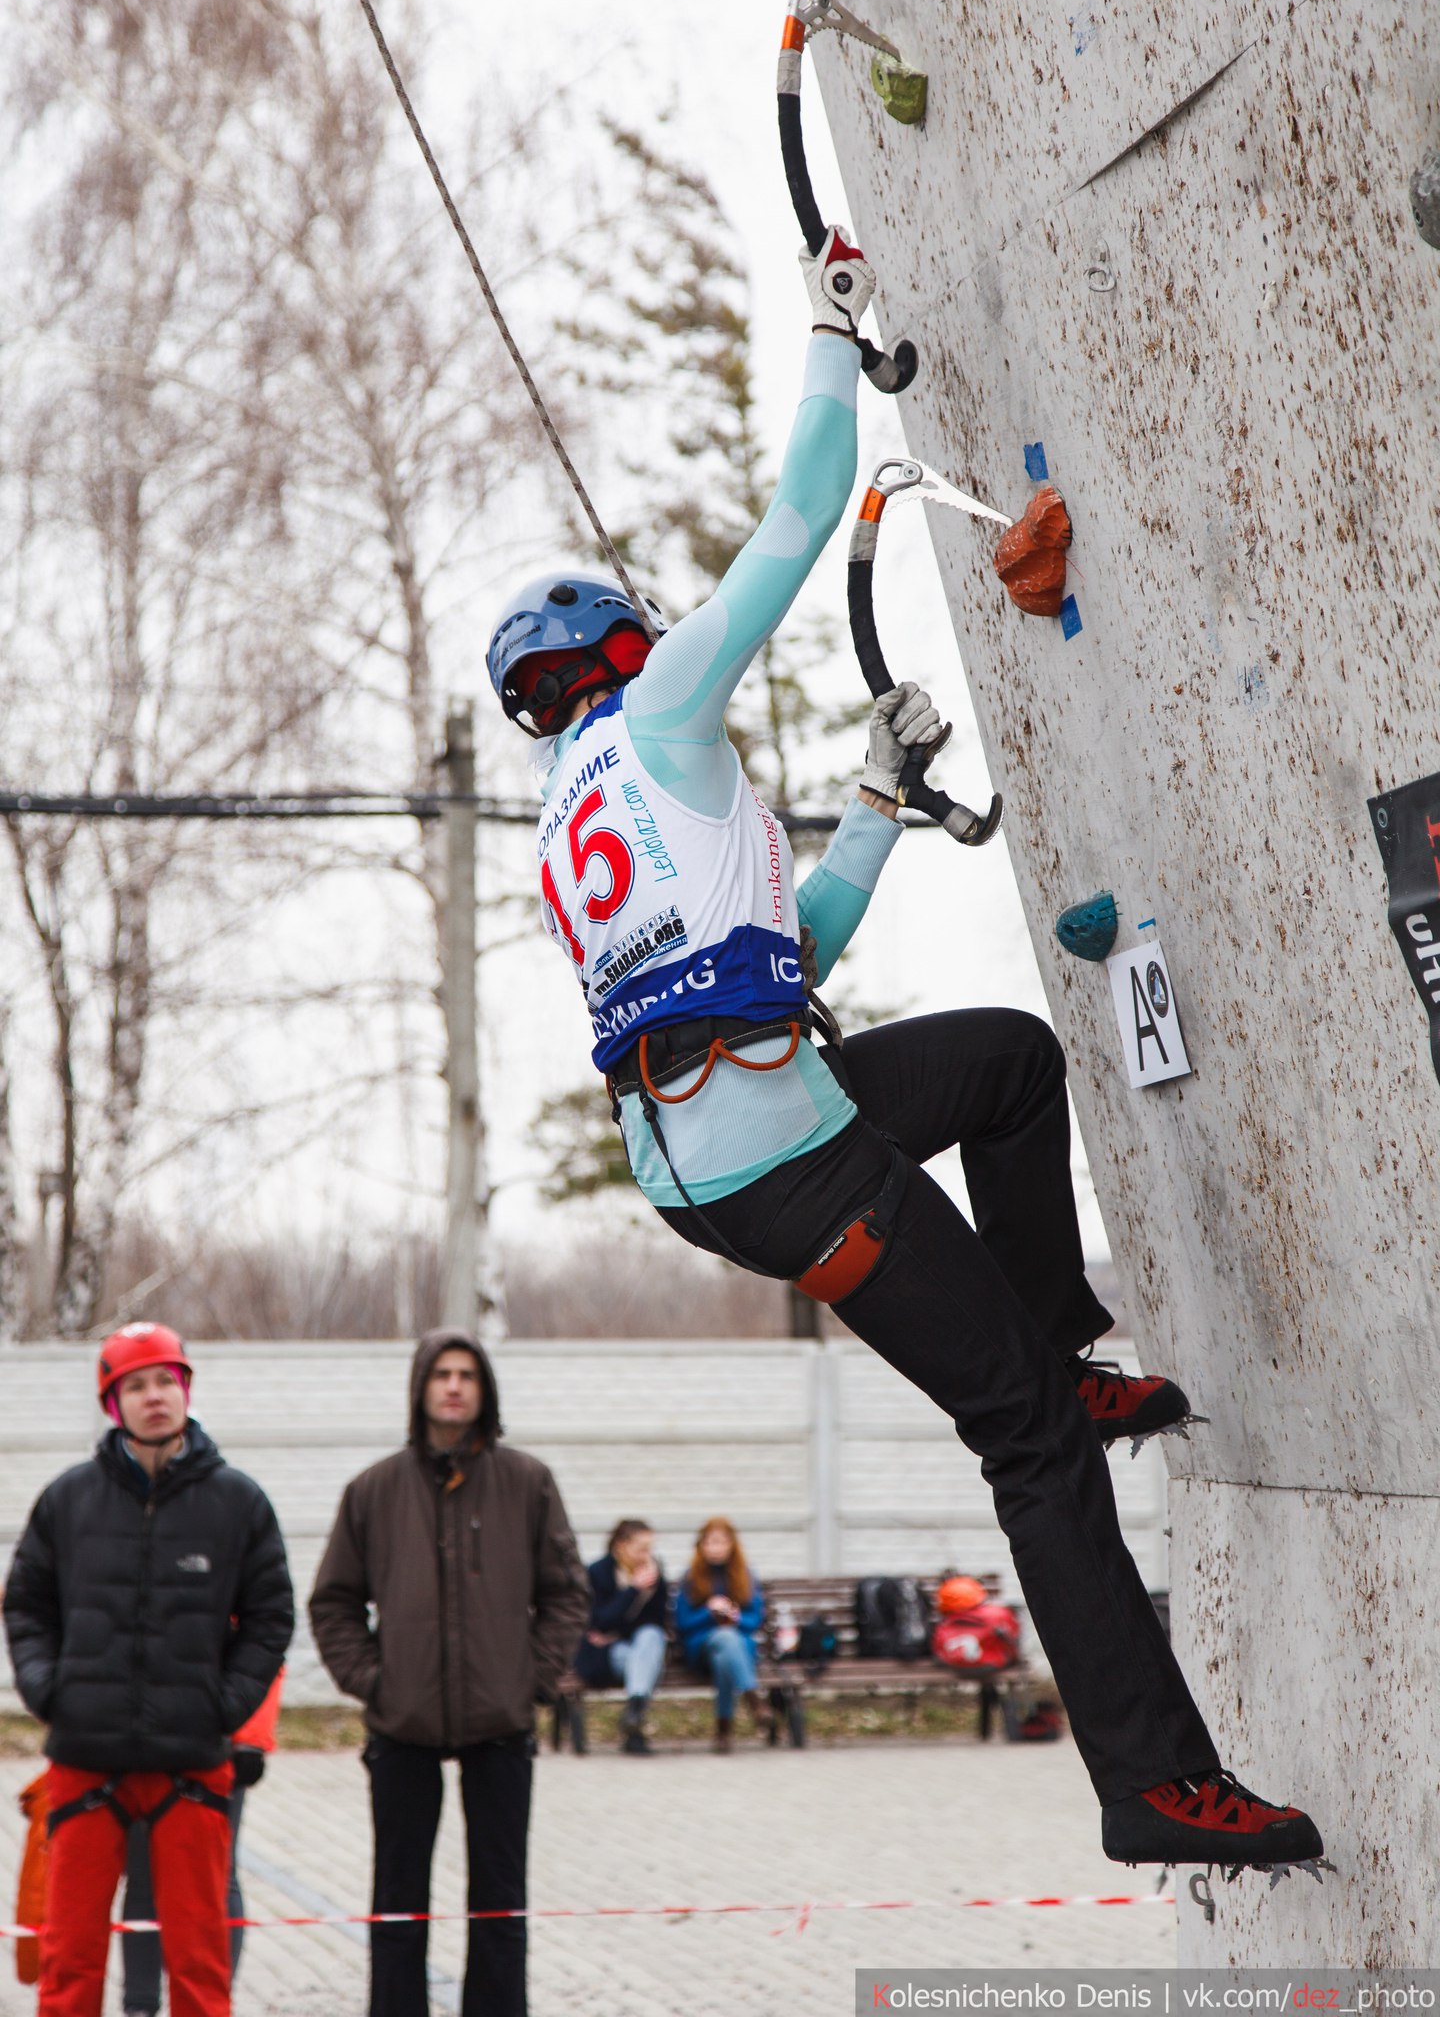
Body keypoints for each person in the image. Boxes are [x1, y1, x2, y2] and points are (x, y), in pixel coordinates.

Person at [485, 226, 1324, 1872]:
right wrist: (825, 330)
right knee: (1023, 1442)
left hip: (736, 1133)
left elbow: (785, 962)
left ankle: (1061, 1346)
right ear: (624, 648)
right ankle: (1152, 1783)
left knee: (1008, 1061)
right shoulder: (661, 715)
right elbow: (802, 515)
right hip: (788, 1157)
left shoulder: (575, 813)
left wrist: (876, 797)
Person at [3, 1322, 293, 2017]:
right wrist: (50, 1692)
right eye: (136, 1385)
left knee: (199, 1965)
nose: (154, 1396)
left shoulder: (239, 1502)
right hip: (84, 1763)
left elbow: (271, 1618)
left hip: (192, 1764)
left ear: (186, 1390)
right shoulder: (67, 1501)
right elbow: (26, 1608)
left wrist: (222, 1705)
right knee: (69, 1965)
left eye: (167, 1380)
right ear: (113, 1402)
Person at [309, 1330, 589, 2017]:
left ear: (485, 1389)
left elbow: (566, 1593)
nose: (455, 1386)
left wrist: (530, 1677)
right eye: (442, 1374)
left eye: (468, 1374)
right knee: (398, 1897)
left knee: (499, 1896)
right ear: (421, 1389)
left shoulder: (527, 1482)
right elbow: (333, 1602)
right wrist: (376, 1680)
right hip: (402, 1725)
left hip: (501, 1722)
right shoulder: (373, 1489)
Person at [120, 1664, 284, 2017]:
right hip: (139, 1742)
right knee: (142, 1874)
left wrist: (249, 1740)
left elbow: (264, 1642)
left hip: (216, 1743)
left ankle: (214, 1999)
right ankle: (140, 2005)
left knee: (218, 1877)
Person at [574, 1518, 669, 1755]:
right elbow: (598, 1621)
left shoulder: (654, 1574)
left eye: (650, 1549)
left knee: (651, 1636)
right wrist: (633, 1591)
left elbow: (657, 1622)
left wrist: (651, 1591)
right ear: (620, 1545)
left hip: (639, 1648)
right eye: (641, 1549)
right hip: (607, 1656)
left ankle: (634, 1712)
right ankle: (634, 1722)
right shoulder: (598, 1572)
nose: (646, 1555)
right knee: (645, 1659)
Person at [673, 1518, 765, 1752]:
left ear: (732, 1545)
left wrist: (735, 1617)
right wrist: (708, 1611)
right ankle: (752, 1697)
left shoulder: (745, 1577)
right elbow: (683, 1624)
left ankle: (723, 1733)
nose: (715, 1548)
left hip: (739, 1647)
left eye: (721, 1542)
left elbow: (754, 1620)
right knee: (724, 1639)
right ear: (700, 1546)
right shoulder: (691, 1578)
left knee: (725, 1655)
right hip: (700, 1645)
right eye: (710, 1543)